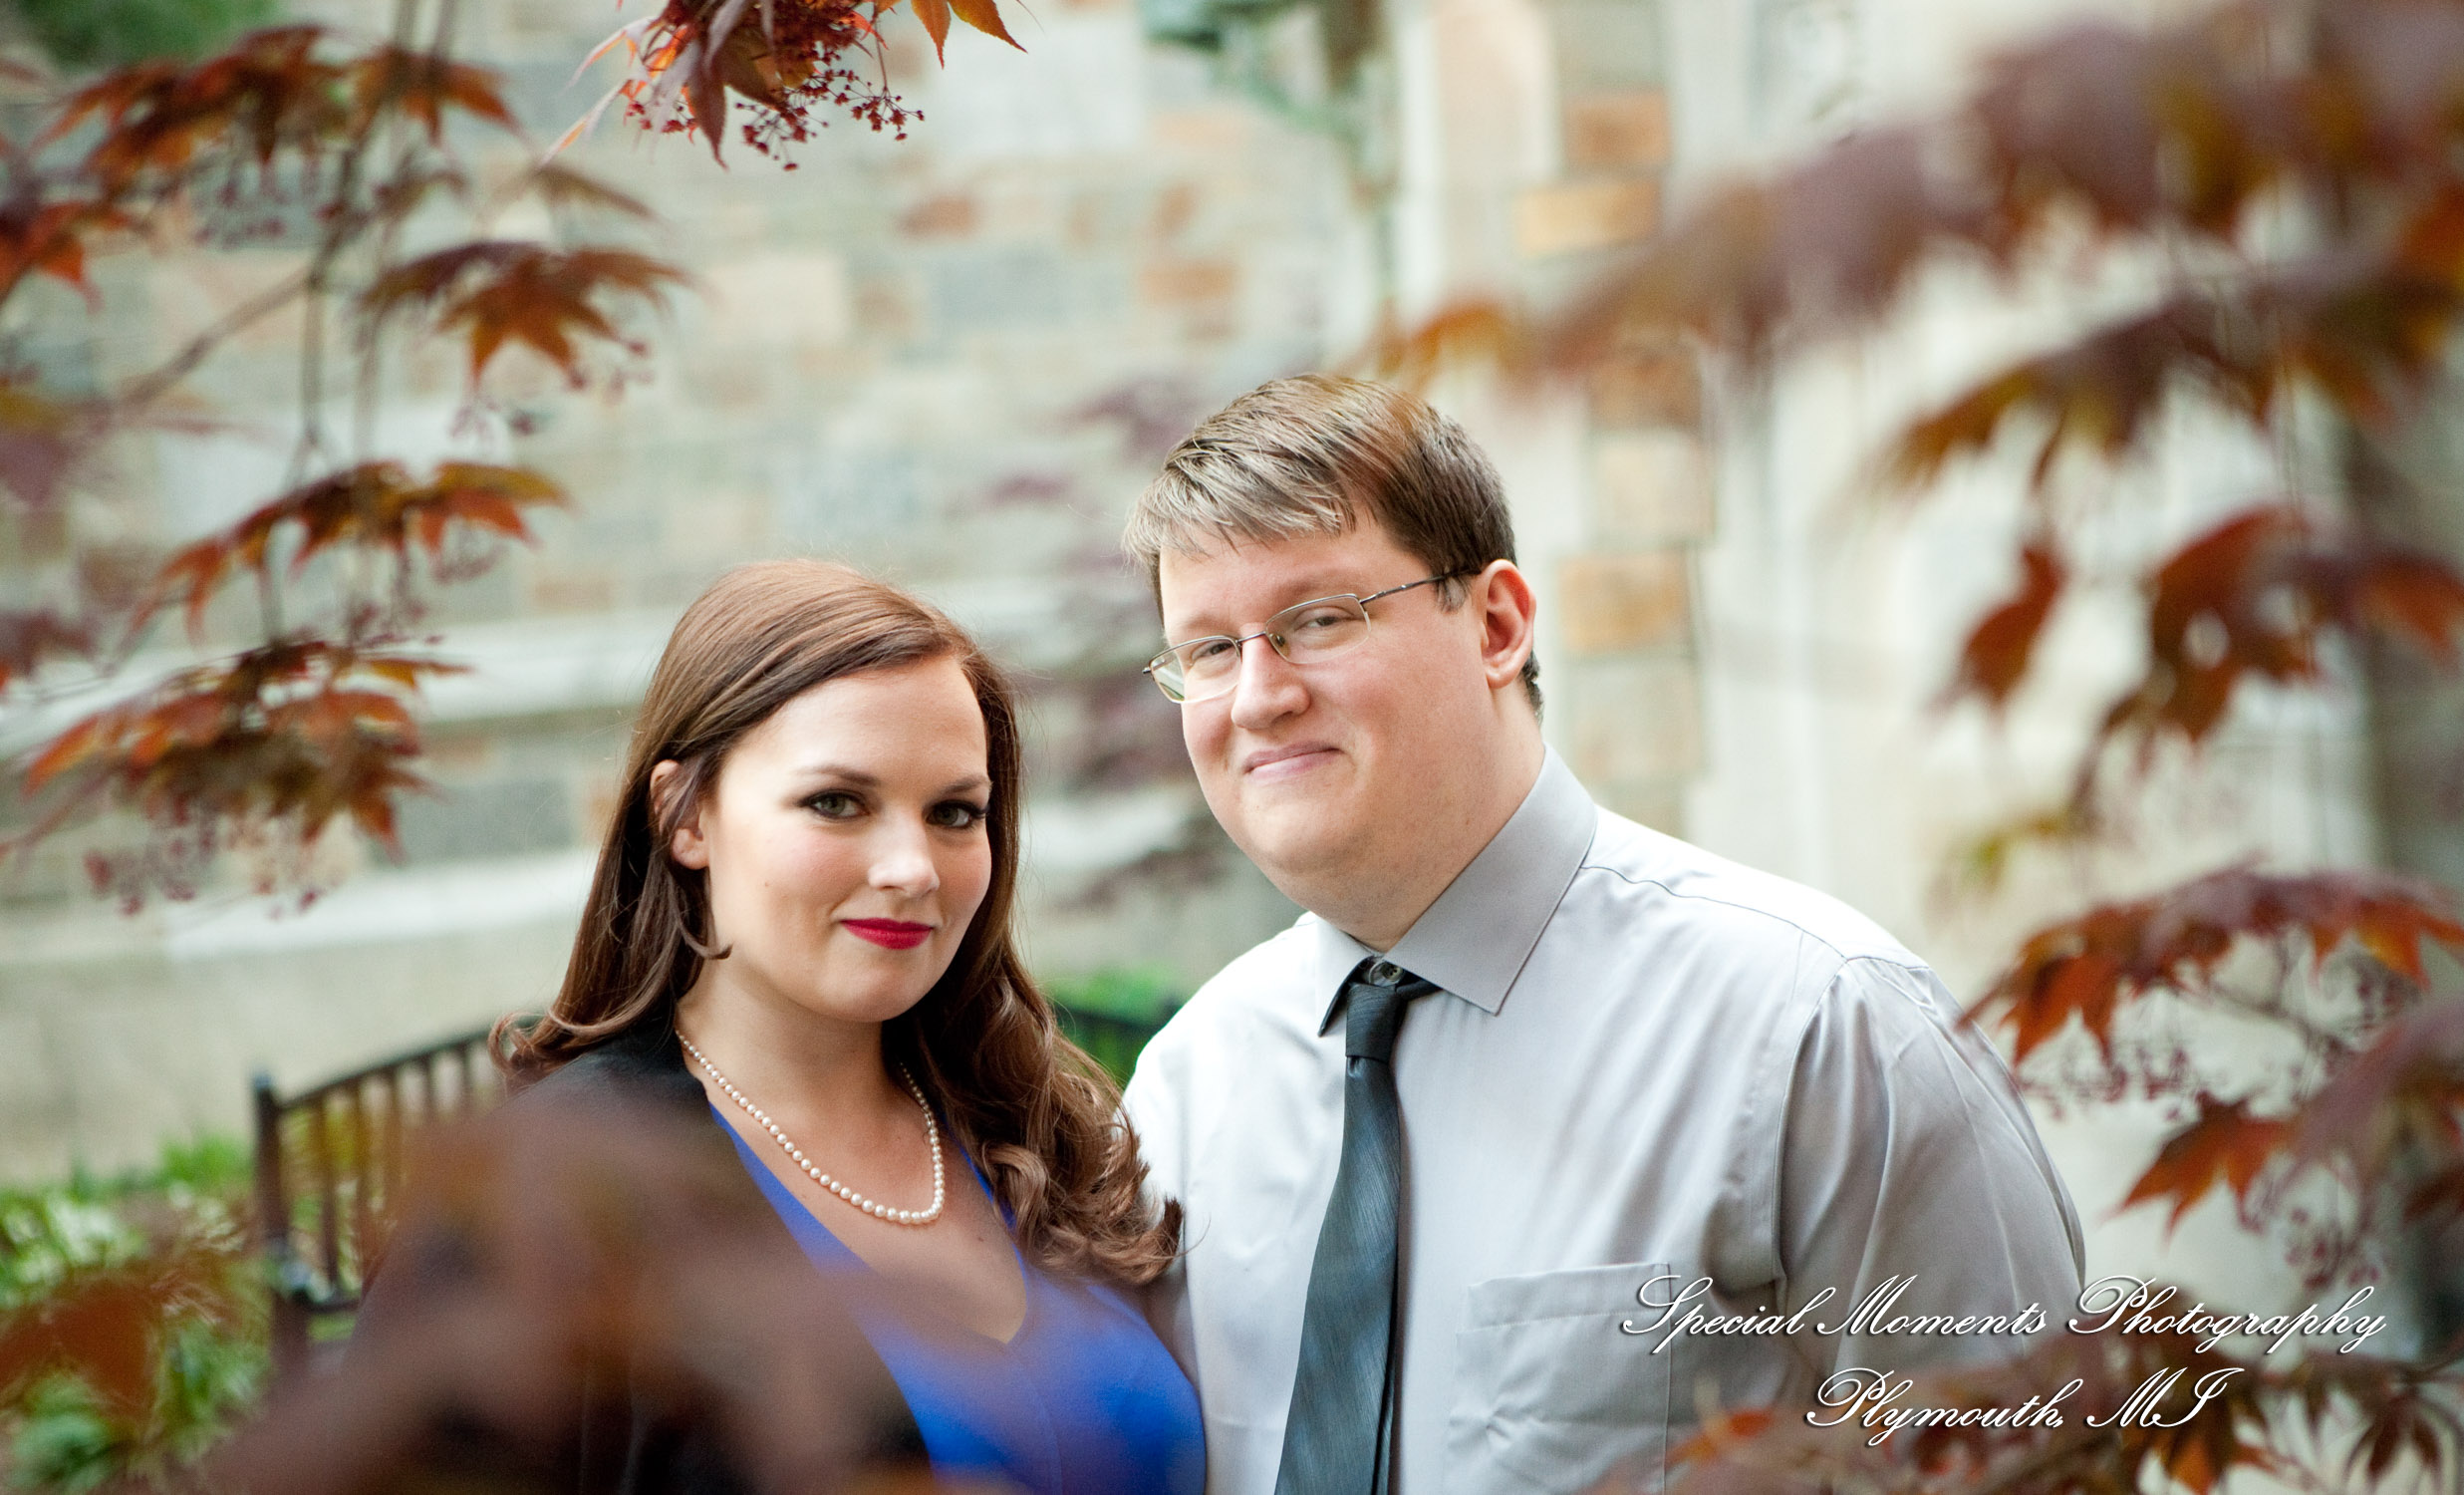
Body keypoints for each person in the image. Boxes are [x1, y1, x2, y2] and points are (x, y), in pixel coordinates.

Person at [1117, 376, 2084, 1495]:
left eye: (1318, 620)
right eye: (1208, 652)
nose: (1256, 696)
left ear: (1495, 624)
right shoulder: (1187, 1092)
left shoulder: (1820, 1030)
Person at [390, 560, 1205, 1495]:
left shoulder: (1037, 1132)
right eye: (836, 802)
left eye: (954, 813)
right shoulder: (548, 1202)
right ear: (684, 814)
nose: (911, 867)